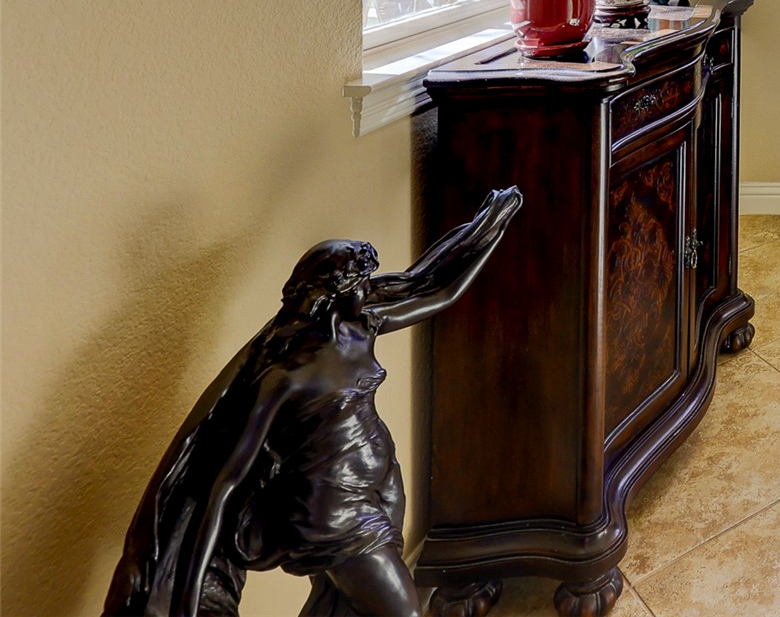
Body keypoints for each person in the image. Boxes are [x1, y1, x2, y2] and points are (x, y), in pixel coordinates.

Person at [104, 188, 524, 617]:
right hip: (332, 515)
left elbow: (438, 290)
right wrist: (188, 596)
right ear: (331, 293)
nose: (369, 290)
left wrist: (489, 226)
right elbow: (226, 483)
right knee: (405, 613)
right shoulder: (287, 377)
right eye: (359, 283)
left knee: (337, 607)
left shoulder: (361, 326)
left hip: (374, 491)